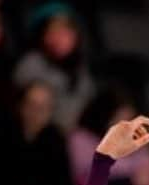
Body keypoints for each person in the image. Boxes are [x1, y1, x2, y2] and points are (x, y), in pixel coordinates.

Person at [6, 81, 75, 185]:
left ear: (50, 111)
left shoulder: (56, 140)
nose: (36, 112)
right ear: (21, 106)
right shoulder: (4, 135)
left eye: (43, 107)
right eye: (31, 105)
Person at [13, 2, 95, 132]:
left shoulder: (82, 72)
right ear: (42, 36)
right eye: (52, 30)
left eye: (65, 30)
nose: (59, 37)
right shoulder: (30, 65)